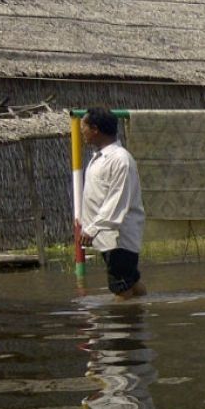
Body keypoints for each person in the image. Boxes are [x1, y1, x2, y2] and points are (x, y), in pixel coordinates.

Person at [79, 107, 146, 299]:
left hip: (119, 236)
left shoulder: (120, 160)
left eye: (84, 126)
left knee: (120, 288)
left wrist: (93, 228)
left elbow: (117, 201)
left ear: (95, 129)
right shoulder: (100, 158)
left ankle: (122, 327)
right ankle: (145, 311)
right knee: (129, 282)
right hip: (107, 235)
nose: (81, 131)